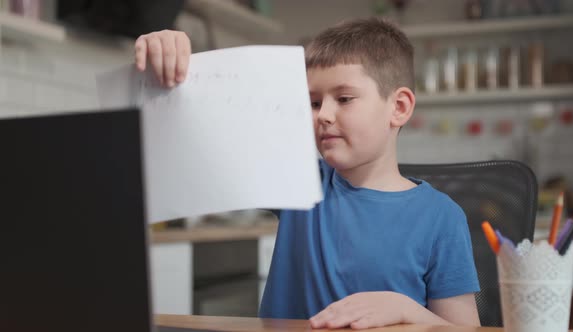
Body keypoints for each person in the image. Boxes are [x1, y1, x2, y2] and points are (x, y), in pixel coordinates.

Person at [134, 18, 481, 329]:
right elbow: (198, 139)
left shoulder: (442, 217)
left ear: (399, 107)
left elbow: (464, 330)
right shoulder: (297, 179)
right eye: (313, 102)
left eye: (343, 99)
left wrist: (407, 309)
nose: (322, 115)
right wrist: (169, 61)